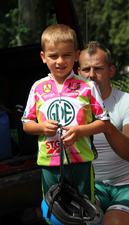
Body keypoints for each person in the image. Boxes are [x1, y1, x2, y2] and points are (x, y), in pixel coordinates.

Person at [21, 25, 110, 224]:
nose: (60, 61)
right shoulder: (37, 88)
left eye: (67, 55)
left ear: (77, 55)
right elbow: (26, 124)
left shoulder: (88, 86)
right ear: (43, 57)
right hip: (49, 163)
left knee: (84, 212)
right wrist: (41, 127)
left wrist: (80, 131)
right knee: (54, 214)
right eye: (53, 56)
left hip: (81, 163)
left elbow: (104, 122)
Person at [78, 41, 129, 225]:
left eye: (98, 68)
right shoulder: (71, 107)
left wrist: (106, 125)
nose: (92, 75)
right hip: (93, 186)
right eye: (86, 69)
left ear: (111, 71)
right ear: (78, 72)